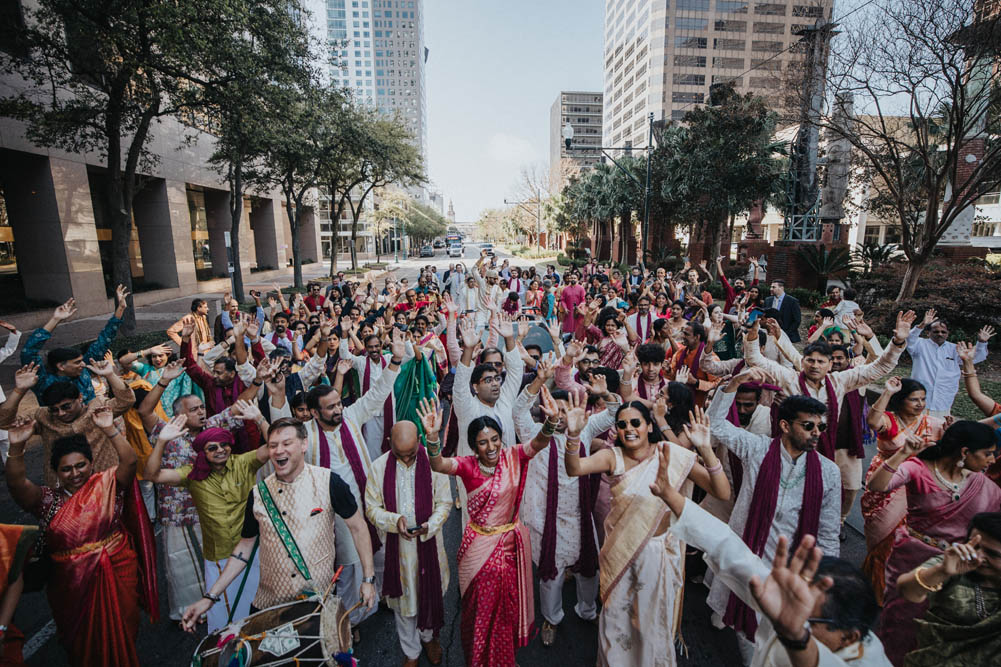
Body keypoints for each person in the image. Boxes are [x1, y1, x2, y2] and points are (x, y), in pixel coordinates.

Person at [653, 455, 891, 667]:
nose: (788, 612)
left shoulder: (869, 660)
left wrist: (796, 637)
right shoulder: (787, 599)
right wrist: (671, 496)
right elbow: (729, 548)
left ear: (848, 637)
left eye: (805, 618)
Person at [566, 402, 730, 666]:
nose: (629, 429)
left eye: (635, 423)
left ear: (649, 426)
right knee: (617, 626)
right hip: (622, 554)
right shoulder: (612, 456)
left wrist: (707, 450)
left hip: (659, 555)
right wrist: (573, 435)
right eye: (622, 424)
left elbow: (721, 492)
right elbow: (575, 468)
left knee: (652, 625)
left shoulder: (671, 454)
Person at [181, 418, 377, 630]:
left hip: (317, 602)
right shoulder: (258, 494)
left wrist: (368, 579)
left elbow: (358, 527)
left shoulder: (329, 482)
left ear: (303, 444)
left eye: (286, 443)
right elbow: (244, 549)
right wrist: (210, 597)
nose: (278, 450)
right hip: (269, 605)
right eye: (273, 445)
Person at [5, 407, 156, 667]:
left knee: (125, 629)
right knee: (80, 645)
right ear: (56, 472)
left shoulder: (108, 486)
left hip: (119, 567)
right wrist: (16, 447)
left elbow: (130, 462)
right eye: (66, 470)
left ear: (91, 464)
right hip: (70, 585)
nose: (75, 474)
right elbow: (17, 485)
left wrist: (110, 429)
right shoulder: (48, 501)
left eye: (80, 466)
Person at [707, 374, 842, 663]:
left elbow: (828, 532)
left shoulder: (829, 472)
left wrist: (827, 577)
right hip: (750, 554)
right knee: (748, 628)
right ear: (784, 425)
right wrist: (730, 387)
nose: (817, 432)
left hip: (792, 567)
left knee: (784, 631)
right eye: (808, 426)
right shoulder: (757, 449)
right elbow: (716, 424)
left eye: (821, 427)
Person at [422, 393, 555, 667]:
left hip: (510, 544)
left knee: (506, 608)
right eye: (483, 442)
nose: (491, 446)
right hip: (478, 547)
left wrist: (550, 423)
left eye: (495, 439)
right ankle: (481, 660)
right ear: (474, 447)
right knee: (479, 610)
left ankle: (504, 658)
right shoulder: (468, 466)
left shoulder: (514, 456)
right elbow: (439, 464)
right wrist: (433, 438)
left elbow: (540, 442)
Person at [865, 420, 1000, 665]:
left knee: (941, 628)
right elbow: (877, 485)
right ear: (965, 452)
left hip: (959, 569)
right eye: (988, 453)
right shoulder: (919, 468)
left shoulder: (986, 488)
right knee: (900, 627)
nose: (992, 460)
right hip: (910, 561)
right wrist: (904, 453)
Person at [143, 399, 273, 631]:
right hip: (220, 557)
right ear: (202, 452)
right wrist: (162, 441)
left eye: (224, 445)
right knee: (224, 621)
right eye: (212, 447)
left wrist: (259, 419)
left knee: (261, 611)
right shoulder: (191, 475)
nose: (220, 450)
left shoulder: (244, 462)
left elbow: (274, 447)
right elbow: (152, 475)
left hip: (254, 550)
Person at [305, 328, 405, 627]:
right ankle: (350, 621)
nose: (338, 410)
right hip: (336, 514)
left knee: (382, 553)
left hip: (368, 499)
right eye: (331, 407)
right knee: (348, 567)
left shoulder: (351, 416)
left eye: (338, 404)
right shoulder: (306, 438)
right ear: (313, 412)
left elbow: (376, 395)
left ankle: (384, 596)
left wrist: (396, 361)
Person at [512, 366, 619, 646]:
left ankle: (587, 611)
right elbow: (518, 411)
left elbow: (613, 413)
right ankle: (552, 618)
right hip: (548, 520)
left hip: (580, 516)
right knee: (552, 575)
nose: (560, 416)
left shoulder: (582, 430)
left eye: (564, 410)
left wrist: (604, 393)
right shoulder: (535, 435)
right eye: (553, 409)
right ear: (545, 410)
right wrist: (537, 380)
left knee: (589, 570)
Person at [365, 421, 452, 667]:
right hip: (397, 553)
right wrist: (395, 521)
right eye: (399, 455)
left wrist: (429, 526)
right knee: (403, 607)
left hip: (429, 547)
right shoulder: (378, 467)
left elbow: (445, 503)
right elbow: (371, 508)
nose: (405, 460)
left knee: (429, 595)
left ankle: (428, 638)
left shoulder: (434, 464)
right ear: (389, 443)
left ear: (419, 444)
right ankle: (411, 651)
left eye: (411, 455)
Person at [860, 377, 946, 603]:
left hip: (917, 486)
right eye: (913, 400)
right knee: (882, 539)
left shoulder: (934, 424)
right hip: (885, 482)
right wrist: (887, 392)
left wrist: (948, 438)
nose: (920, 404)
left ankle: (904, 587)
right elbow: (872, 420)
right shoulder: (889, 420)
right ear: (899, 402)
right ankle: (878, 591)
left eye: (923, 400)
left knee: (909, 540)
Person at [0, 360, 135, 487]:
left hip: (104, 484)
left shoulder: (97, 410)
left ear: (80, 398)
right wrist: (19, 391)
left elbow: (126, 400)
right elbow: (4, 422)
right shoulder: (42, 416)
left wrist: (110, 374)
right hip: (63, 490)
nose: (61, 413)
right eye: (54, 410)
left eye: (66, 407)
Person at [896, 512, 1001, 667]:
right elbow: (906, 590)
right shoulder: (954, 564)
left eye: (992, 554)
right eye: (975, 546)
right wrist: (941, 571)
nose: (978, 556)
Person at [20, 288, 128, 404]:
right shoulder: (44, 382)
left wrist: (120, 308)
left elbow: (104, 339)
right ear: (61, 366)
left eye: (81, 361)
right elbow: (28, 351)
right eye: (77, 362)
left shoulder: (83, 371)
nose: (82, 364)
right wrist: (55, 319)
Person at [905, 308, 994, 416]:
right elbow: (908, 339)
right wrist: (922, 325)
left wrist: (982, 342)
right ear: (928, 333)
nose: (940, 334)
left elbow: (975, 358)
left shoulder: (955, 348)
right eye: (936, 331)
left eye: (943, 332)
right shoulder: (919, 345)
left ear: (948, 334)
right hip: (919, 400)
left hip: (943, 401)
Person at [668, 320, 719, 406]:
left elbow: (718, 384)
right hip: (679, 404)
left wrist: (696, 382)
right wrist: (668, 371)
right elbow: (674, 377)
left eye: (686, 334)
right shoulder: (679, 353)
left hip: (699, 406)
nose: (683, 336)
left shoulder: (709, 358)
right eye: (683, 333)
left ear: (697, 337)